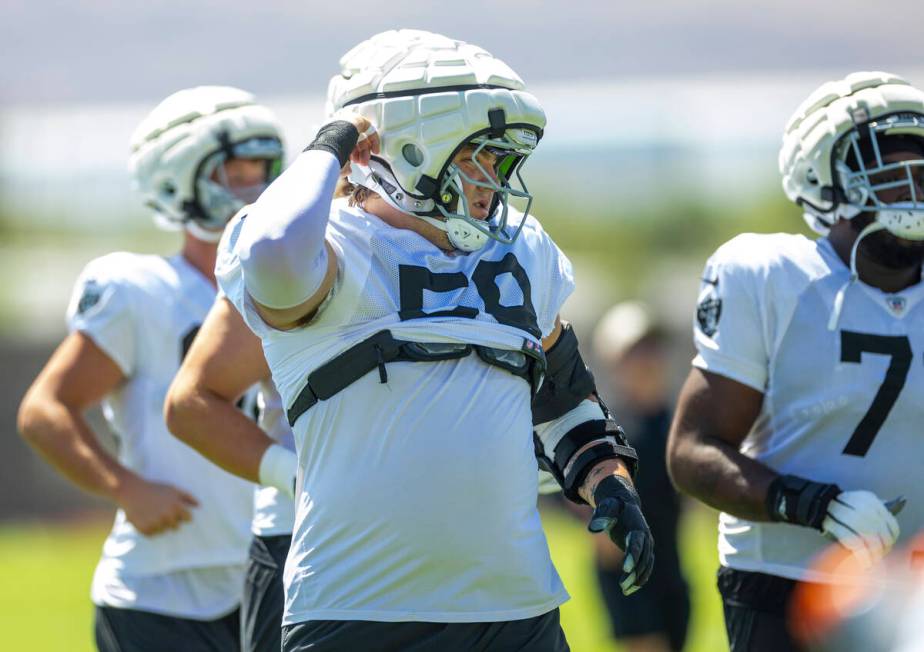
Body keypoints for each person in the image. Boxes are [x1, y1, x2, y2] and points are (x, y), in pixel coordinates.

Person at [216, 29, 654, 652]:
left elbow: (564, 396)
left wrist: (610, 481)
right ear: (415, 148)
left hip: (519, 611)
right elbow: (274, 248)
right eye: (483, 157)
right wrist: (337, 140)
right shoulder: (332, 249)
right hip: (360, 612)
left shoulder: (522, 252)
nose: (498, 182)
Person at [17, 86, 284, 652]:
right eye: (235, 172)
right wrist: (125, 488)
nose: (254, 187)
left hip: (274, 578)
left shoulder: (296, 286)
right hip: (159, 596)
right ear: (177, 181)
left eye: (263, 169)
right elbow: (45, 410)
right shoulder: (137, 291)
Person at [666, 71, 924, 652]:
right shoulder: (770, 276)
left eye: (922, 173)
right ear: (825, 180)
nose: (913, 189)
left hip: (914, 590)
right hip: (787, 583)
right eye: (891, 171)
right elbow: (692, 451)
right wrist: (811, 504)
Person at [165, 294, 298, 652]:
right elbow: (189, 404)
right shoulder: (306, 245)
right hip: (303, 535)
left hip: (439, 540)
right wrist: (299, 480)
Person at [590, 302, 690, 652]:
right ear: (614, 359)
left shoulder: (677, 422)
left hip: (673, 570)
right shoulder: (603, 429)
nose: (648, 358)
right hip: (628, 573)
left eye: (653, 348)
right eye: (636, 350)